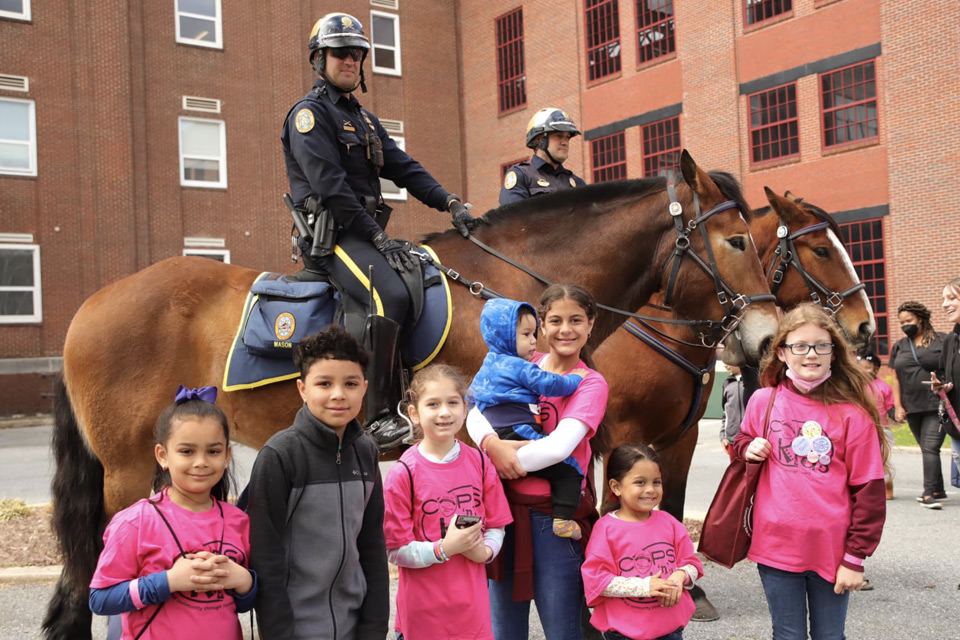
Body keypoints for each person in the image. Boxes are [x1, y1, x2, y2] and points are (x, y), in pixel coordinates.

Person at [282, 12, 479, 449]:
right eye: (340, 53)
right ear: (319, 59)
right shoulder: (309, 117)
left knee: (421, 275)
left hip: (364, 231)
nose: (350, 60)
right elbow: (331, 189)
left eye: (356, 54)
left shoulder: (365, 121)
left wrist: (450, 203)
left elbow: (405, 169)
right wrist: (376, 237)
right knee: (387, 292)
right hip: (332, 237)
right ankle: (377, 416)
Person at [734, 303, 887, 640]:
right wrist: (747, 447)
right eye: (799, 346)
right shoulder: (763, 400)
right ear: (783, 353)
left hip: (833, 550)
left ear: (834, 353)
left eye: (821, 346)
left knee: (830, 636)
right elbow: (740, 443)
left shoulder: (852, 414)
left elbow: (870, 493)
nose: (811, 354)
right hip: (775, 546)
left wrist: (855, 558)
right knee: (787, 635)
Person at [467, 283, 609, 640]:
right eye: (556, 321)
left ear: (591, 324)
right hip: (503, 513)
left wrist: (501, 458)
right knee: (504, 632)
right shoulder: (518, 363)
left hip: (552, 518)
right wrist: (490, 444)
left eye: (576, 320)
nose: (566, 330)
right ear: (541, 326)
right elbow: (472, 407)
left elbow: (559, 448)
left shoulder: (590, 384)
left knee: (563, 632)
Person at [245, 326, 388, 640]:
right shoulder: (280, 455)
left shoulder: (367, 453)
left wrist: (375, 628)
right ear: (302, 389)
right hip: (295, 630)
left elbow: (373, 546)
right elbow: (265, 558)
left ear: (364, 388)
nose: (338, 394)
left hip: (355, 629)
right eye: (324, 383)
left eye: (350, 383)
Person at [89, 386, 256, 639]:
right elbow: (100, 600)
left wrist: (244, 580)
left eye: (213, 451)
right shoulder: (135, 522)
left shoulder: (238, 521)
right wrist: (168, 582)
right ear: (163, 455)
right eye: (187, 451)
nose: (201, 462)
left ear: (226, 456)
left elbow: (243, 604)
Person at [382, 364, 512, 640]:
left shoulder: (479, 462)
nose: (444, 412)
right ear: (414, 413)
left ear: (465, 408)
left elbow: (497, 527)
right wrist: (444, 549)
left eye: (453, 402)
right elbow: (395, 551)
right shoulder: (402, 473)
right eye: (433, 404)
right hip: (422, 617)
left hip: (472, 616)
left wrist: (485, 553)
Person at [470, 298, 590, 538]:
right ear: (503, 336)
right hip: (517, 431)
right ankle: (564, 519)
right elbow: (550, 383)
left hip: (496, 432)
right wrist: (575, 378)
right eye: (526, 334)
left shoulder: (487, 364)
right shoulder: (519, 366)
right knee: (570, 471)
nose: (534, 341)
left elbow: (472, 402)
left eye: (534, 333)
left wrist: (490, 441)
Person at [581, 444, 703, 640]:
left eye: (656, 482)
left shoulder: (670, 523)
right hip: (624, 633)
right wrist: (644, 586)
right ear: (616, 487)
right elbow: (597, 580)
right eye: (640, 482)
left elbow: (692, 564)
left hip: (671, 630)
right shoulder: (606, 529)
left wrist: (681, 576)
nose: (650, 490)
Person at [889, 300, 947, 508]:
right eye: (902, 322)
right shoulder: (900, 346)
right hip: (912, 405)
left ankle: (929, 493)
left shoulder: (941, 340)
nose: (906, 325)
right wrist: (898, 405)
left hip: (936, 403)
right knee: (927, 448)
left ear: (920, 319)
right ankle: (938, 488)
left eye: (909, 320)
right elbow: (896, 378)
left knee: (931, 446)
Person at [499, 108, 586, 206]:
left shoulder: (578, 183)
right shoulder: (521, 176)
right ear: (539, 138)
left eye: (567, 137)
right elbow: (515, 218)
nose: (565, 142)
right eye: (559, 136)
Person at [856, 344, 896, 500]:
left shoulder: (883, 387)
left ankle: (887, 484)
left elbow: (890, 406)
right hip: (861, 429)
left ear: (876, 369)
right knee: (863, 460)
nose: (863, 371)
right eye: (860, 368)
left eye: (867, 368)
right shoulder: (856, 387)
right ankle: (866, 487)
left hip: (881, 428)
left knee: (882, 459)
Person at [931, 277, 960, 490]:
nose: (944, 304)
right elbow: (944, 375)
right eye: (944, 299)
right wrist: (942, 386)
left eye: (952, 298)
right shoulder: (951, 340)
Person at [719, 364, 745, 461]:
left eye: (728, 362)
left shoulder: (752, 382)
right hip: (732, 439)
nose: (725, 365)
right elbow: (725, 412)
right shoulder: (726, 383)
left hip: (750, 439)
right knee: (734, 473)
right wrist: (723, 436)